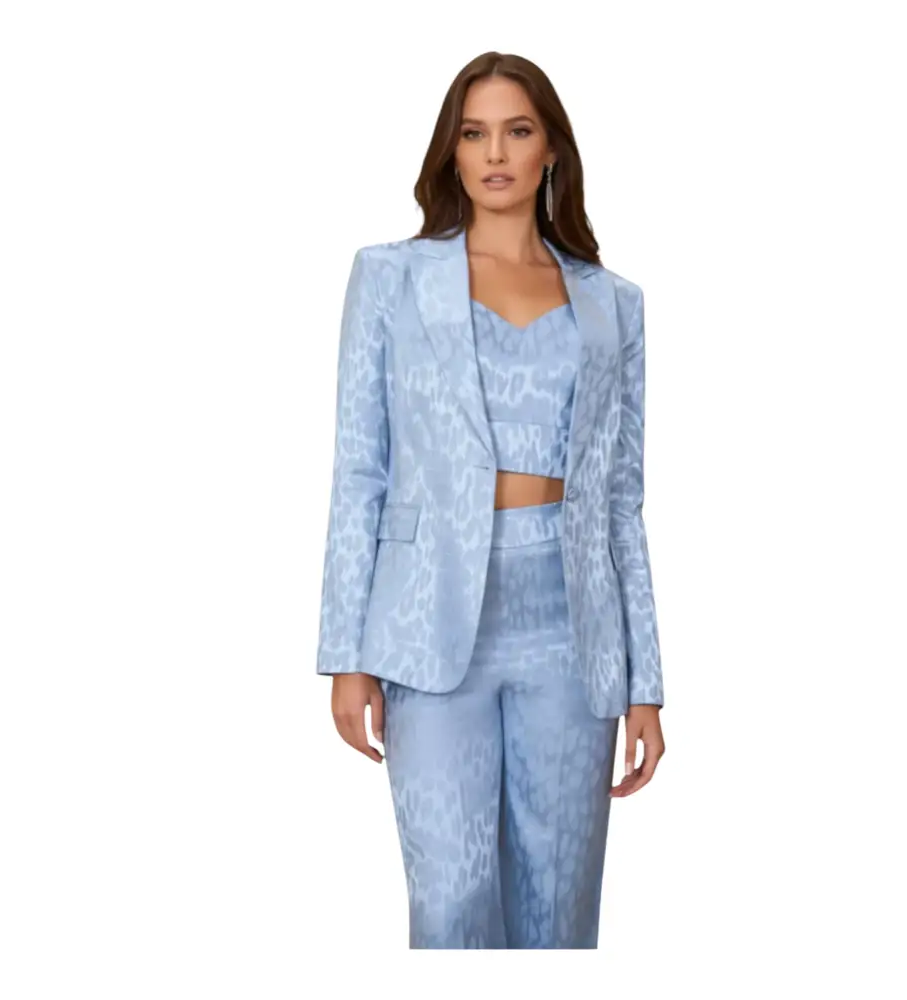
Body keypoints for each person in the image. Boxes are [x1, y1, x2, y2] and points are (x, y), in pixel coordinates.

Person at [315, 51, 666, 949]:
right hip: (428, 623)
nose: (495, 153)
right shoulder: (391, 278)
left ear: (552, 150)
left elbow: (621, 501)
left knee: (559, 908)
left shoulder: (613, 304)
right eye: (474, 133)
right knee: (450, 904)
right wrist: (346, 653)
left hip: (572, 627)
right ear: (452, 150)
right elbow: (360, 469)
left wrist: (647, 684)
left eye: (517, 131)